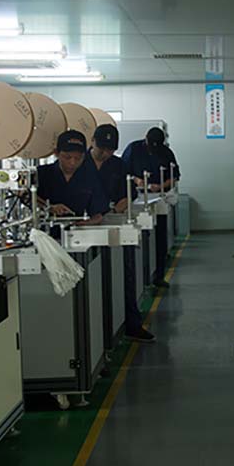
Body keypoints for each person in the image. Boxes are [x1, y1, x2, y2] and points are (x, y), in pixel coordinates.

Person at [90, 124, 154, 343]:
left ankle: (132, 324)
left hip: (113, 221)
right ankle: (97, 334)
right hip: (84, 225)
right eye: (102, 149)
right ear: (93, 142)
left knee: (126, 273)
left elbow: (130, 193)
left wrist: (121, 205)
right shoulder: (79, 163)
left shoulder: (118, 165)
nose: (105, 153)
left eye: (110, 150)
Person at [122, 126, 181, 288]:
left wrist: (161, 186)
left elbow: (175, 176)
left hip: (158, 198)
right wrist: (137, 180)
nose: (152, 150)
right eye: (150, 146)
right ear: (145, 138)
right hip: (137, 198)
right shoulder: (133, 149)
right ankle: (139, 279)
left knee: (160, 239)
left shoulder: (166, 153)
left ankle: (159, 275)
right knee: (139, 238)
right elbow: (123, 170)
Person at [36, 130, 108, 226]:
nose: (72, 162)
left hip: (77, 231)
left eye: (78, 158)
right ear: (56, 153)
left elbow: (98, 213)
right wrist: (48, 207)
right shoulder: (42, 174)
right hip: (44, 230)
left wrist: (85, 223)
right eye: (67, 157)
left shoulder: (90, 177)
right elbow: (25, 197)